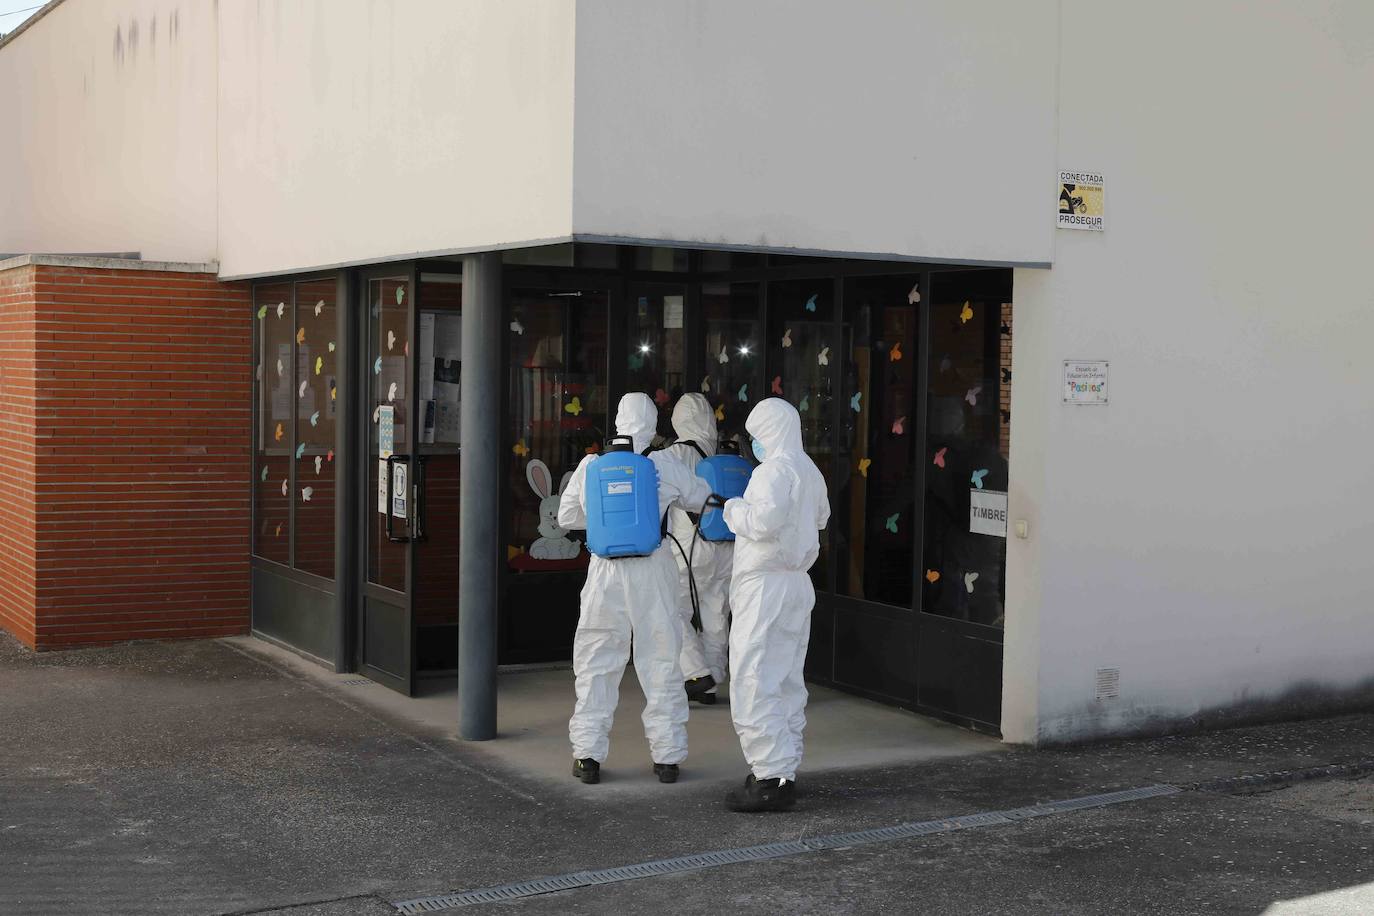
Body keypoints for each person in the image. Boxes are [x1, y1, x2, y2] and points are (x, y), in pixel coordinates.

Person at [557, 392, 712, 785]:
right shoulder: (665, 464)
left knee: (596, 661)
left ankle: (587, 755)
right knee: (661, 659)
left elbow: (566, 517)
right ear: (654, 425)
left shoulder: (592, 464)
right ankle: (667, 757)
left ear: (618, 423)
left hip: (604, 572)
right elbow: (700, 501)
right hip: (653, 569)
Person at [721, 398, 830, 812]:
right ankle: (783, 768)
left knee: (753, 676)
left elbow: (762, 523)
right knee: (785, 678)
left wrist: (733, 509)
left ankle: (769, 777)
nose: (753, 444)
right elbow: (820, 518)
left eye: (755, 435)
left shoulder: (772, 472)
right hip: (797, 584)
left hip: (764, 586)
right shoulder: (809, 469)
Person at [663, 393, 734, 705]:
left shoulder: (675, 454)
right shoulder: (723, 455)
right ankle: (712, 681)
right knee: (716, 614)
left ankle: (695, 673)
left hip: (690, 550)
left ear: (679, 420)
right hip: (726, 547)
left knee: (672, 610)